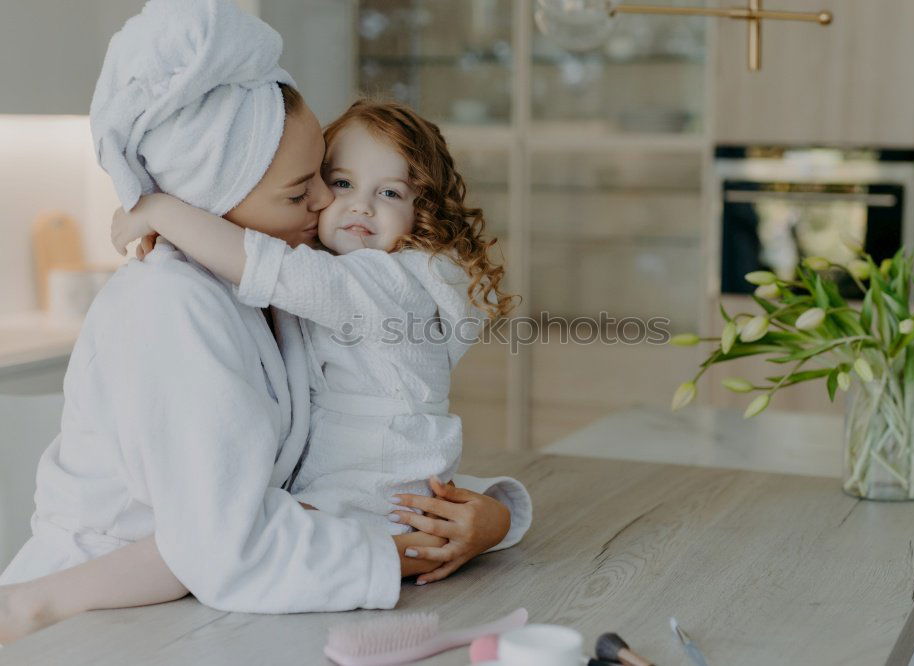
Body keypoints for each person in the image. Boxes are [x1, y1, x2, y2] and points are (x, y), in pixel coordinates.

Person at [0, 0, 530, 645]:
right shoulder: (176, 308)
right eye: (306, 186)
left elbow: (374, 449)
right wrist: (404, 551)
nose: (328, 204)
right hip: (98, 626)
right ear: (216, 197)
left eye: (326, 181)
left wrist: (489, 516)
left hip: (213, 597)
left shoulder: (285, 299)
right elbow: (228, 544)